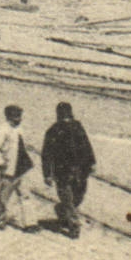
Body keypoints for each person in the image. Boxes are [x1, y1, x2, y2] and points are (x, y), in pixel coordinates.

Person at [41, 102, 96, 239]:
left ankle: (62, 211)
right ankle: (74, 225)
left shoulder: (77, 127)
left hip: (80, 170)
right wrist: (47, 174)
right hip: (62, 171)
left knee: (77, 197)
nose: (66, 120)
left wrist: (91, 163)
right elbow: (46, 154)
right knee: (68, 197)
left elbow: (87, 146)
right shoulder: (53, 131)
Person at [0, 105, 32, 230]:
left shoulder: (20, 129)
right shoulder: (3, 130)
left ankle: (30, 223)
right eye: (16, 117)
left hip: (21, 167)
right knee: (4, 197)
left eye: (19, 116)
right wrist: (0, 162)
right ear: (9, 117)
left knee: (25, 195)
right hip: (9, 169)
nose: (19, 119)